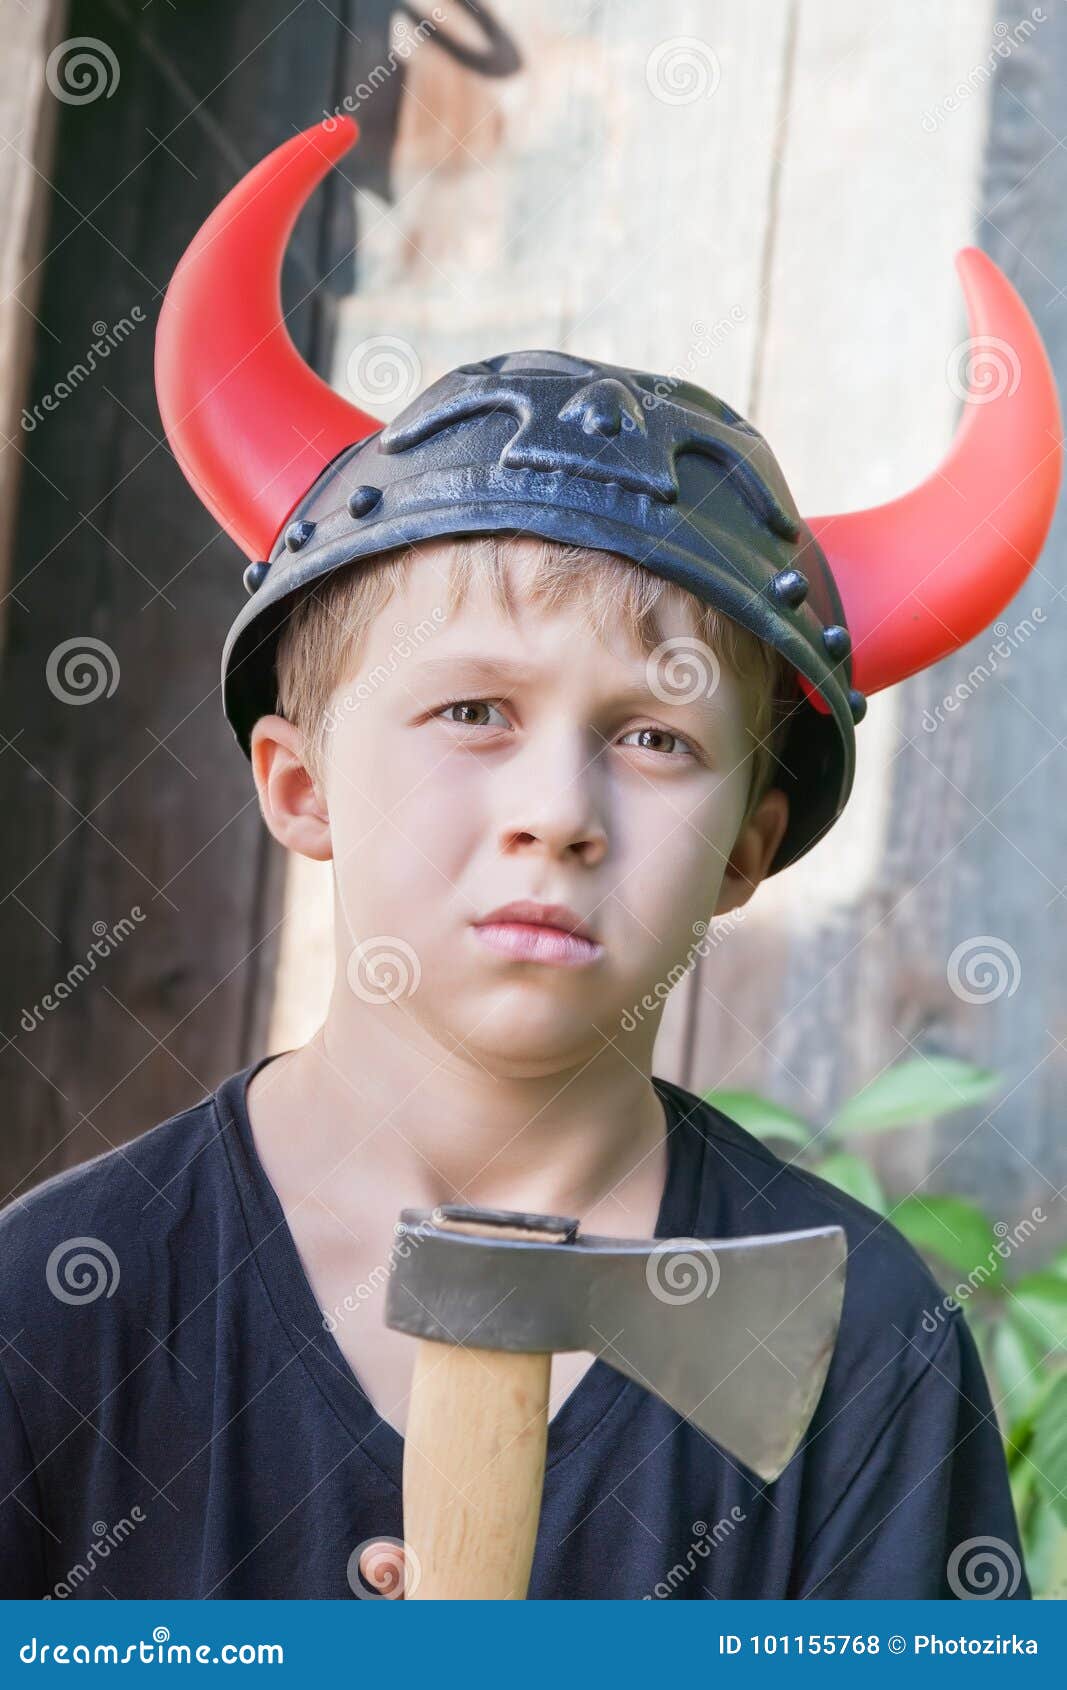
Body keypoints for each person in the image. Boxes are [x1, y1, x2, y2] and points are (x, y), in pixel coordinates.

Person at [0, 117, 1056, 1600]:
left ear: (750, 847)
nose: (558, 809)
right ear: (299, 784)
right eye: (473, 712)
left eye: (656, 737)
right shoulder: (52, 1309)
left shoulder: (861, 1349)